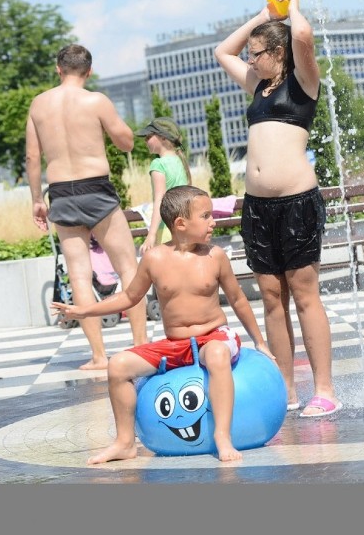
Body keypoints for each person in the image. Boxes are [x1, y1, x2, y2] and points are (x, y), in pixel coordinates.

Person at [52, 185, 274, 463]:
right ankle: (124, 442)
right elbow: (129, 297)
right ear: (180, 223)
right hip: (175, 345)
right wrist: (85, 310)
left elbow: (239, 300)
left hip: (213, 337)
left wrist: (260, 342)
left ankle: (222, 436)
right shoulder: (155, 258)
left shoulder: (214, 256)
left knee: (217, 354)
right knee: (118, 365)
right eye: (205, 216)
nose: (213, 222)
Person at [214, 0, 341, 417]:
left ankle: (323, 389)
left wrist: (291, 12)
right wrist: (261, 15)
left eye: (256, 54)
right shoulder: (256, 86)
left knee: (305, 294)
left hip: (296, 202)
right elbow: (221, 51)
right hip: (258, 207)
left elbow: (302, 33)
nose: (248, 60)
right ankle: (285, 388)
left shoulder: (304, 82)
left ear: (278, 52)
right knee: (271, 296)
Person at [26, 44, 148, 370]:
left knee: (79, 275)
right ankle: (140, 347)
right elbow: (126, 142)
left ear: (58, 68)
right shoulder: (96, 101)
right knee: (128, 268)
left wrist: (37, 199)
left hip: (61, 191)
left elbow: (32, 157)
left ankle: (98, 356)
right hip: (96, 188)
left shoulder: (39, 105)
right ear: (89, 71)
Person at [134, 117, 192, 254]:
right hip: (185, 225)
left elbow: (160, 200)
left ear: (163, 138)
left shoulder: (158, 164)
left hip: (166, 229)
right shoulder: (180, 160)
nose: (145, 140)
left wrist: (151, 235)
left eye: (148, 136)